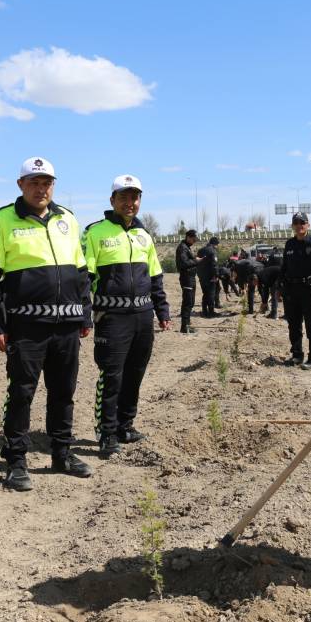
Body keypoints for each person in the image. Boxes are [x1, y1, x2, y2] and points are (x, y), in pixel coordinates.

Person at [0, 157, 94, 491]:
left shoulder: (68, 219)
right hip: (26, 325)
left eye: (46, 183)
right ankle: (16, 460)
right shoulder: (2, 220)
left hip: (67, 325)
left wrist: (84, 314)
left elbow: (82, 271)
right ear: (20, 185)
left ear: (53, 186)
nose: (41, 189)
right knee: (21, 393)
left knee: (64, 391)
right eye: (33, 182)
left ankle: (62, 453)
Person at [83, 175, 172, 457]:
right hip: (112, 317)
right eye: (123, 197)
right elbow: (85, 278)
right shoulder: (95, 233)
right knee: (112, 376)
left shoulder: (144, 235)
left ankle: (125, 425)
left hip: (143, 316)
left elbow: (155, 276)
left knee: (135, 373)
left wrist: (162, 310)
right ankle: (106, 433)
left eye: (134, 197)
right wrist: (84, 316)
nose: (129, 203)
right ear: (112, 200)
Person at [281, 212, 311, 369]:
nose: (299, 225)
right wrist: (279, 288)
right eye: (296, 222)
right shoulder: (289, 244)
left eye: (302, 222)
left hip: (310, 291)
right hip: (292, 291)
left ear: (308, 225)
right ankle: (297, 355)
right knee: (293, 325)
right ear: (292, 226)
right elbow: (284, 268)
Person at [175, 229, 200, 333]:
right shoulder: (182, 248)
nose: (194, 242)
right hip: (186, 278)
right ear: (188, 237)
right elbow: (184, 263)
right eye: (193, 239)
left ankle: (187, 324)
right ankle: (184, 327)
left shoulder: (187, 247)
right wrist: (196, 260)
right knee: (187, 302)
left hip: (191, 277)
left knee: (191, 302)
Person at [197, 236, 220, 317]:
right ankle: (211, 312)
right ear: (215, 244)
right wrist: (216, 275)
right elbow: (214, 265)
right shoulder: (212, 251)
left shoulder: (200, 250)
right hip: (210, 276)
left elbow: (197, 263)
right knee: (211, 293)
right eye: (217, 245)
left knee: (205, 293)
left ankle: (204, 311)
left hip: (201, 276)